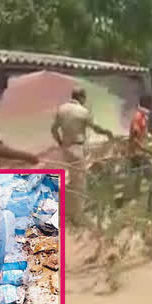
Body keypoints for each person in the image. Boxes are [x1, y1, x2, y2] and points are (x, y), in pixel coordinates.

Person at [50, 86, 114, 222]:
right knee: (80, 183)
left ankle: (67, 210)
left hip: (66, 148)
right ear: (81, 97)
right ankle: (78, 217)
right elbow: (95, 127)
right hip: (77, 148)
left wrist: (60, 143)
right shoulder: (83, 111)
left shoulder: (61, 109)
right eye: (84, 98)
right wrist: (107, 133)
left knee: (72, 179)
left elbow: (54, 129)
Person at [127, 94, 152, 212]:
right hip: (138, 155)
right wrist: (150, 152)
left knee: (137, 183)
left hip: (137, 154)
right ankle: (150, 209)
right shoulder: (139, 117)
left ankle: (138, 209)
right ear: (148, 104)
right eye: (151, 103)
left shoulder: (142, 116)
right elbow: (135, 140)